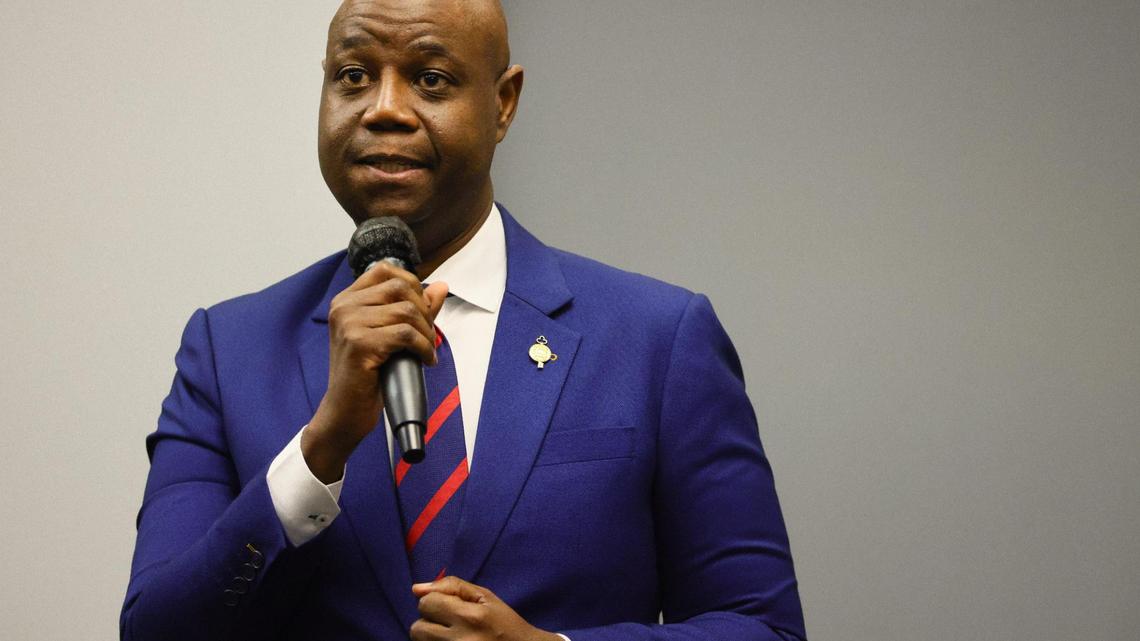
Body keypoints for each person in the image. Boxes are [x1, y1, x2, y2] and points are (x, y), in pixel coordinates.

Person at [121, 1, 807, 640]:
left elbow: (761, 625)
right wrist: (319, 449)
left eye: (430, 78)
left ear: (502, 103)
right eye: (354, 75)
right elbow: (154, 629)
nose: (384, 109)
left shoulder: (658, 338)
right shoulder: (226, 349)